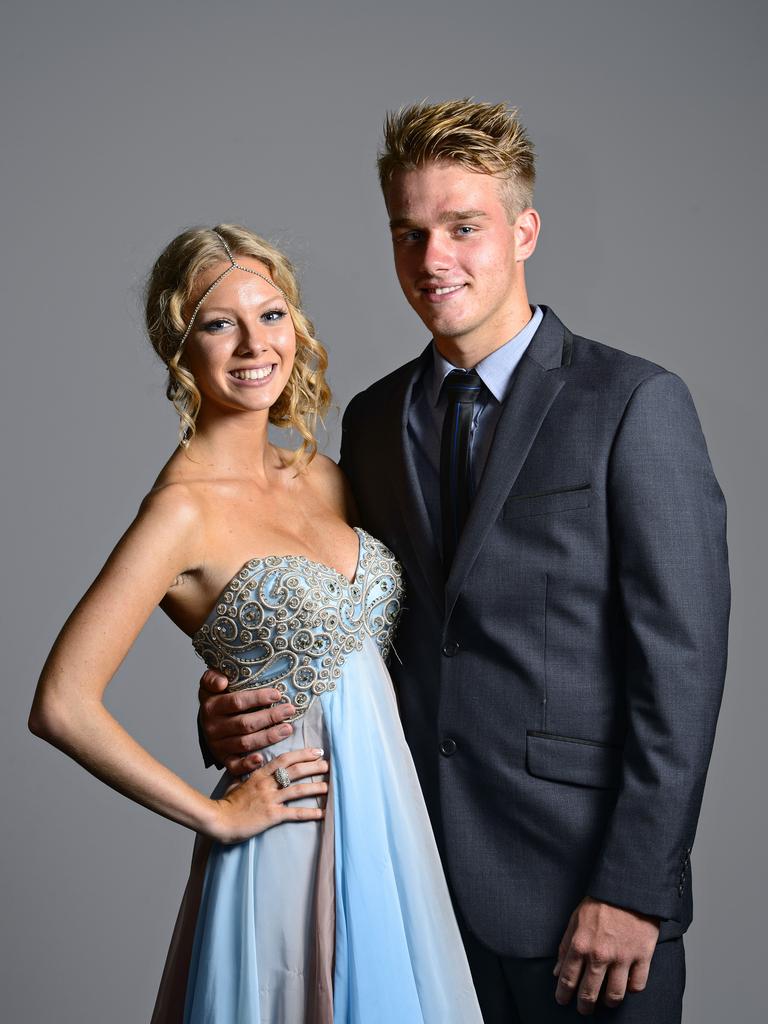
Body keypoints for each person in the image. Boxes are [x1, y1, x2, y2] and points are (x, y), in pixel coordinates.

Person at [199, 102, 730, 1022]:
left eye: (463, 227)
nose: (433, 258)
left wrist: (638, 887)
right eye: (411, 233)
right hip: (400, 881)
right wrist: (242, 697)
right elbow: (345, 615)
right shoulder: (370, 422)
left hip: (586, 899)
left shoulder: (634, 403)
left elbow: (682, 667)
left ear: (524, 231)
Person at [29, 224, 484, 1024]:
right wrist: (213, 811)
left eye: (271, 316)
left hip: (389, 820)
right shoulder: (179, 512)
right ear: (179, 345)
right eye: (218, 323)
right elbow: (62, 704)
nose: (253, 346)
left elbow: (362, 657)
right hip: (290, 826)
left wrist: (222, 707)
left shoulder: (318, 474)